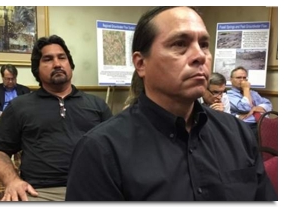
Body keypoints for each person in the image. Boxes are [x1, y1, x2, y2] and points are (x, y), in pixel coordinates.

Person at [65, 7, 277, 201]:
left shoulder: (237, 134)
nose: (199, 56)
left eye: (204, 44)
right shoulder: (101, 150)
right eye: (179, 44)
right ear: (141, 63)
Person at [0, 35, 113, 201]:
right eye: (48, 59)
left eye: (62, 57)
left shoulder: (97, 105)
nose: (57, 64)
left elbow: (115, 149)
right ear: (37, 69)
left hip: (93, 188)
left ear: (70, 64)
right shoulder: (19, 107)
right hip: (41, 192)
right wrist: (12, 180)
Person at [227, 66, 272, 140]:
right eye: (238, 77)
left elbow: (268, 104)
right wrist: (246, 89)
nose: (242, 80)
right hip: (243, 127)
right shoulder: (229, 95)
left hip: (261, 124)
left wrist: (255, 108)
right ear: (231, 79)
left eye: (244, 78)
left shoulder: (253, 93)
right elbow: (246, 108)